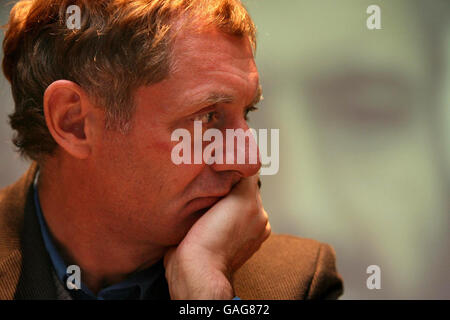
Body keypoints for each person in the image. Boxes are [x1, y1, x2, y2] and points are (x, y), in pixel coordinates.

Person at [0, 0, 343, 300]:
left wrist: (204, 295)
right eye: (208, 117)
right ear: (73, 122)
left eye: (247, 112)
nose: (251, 160)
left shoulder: (297, 282)